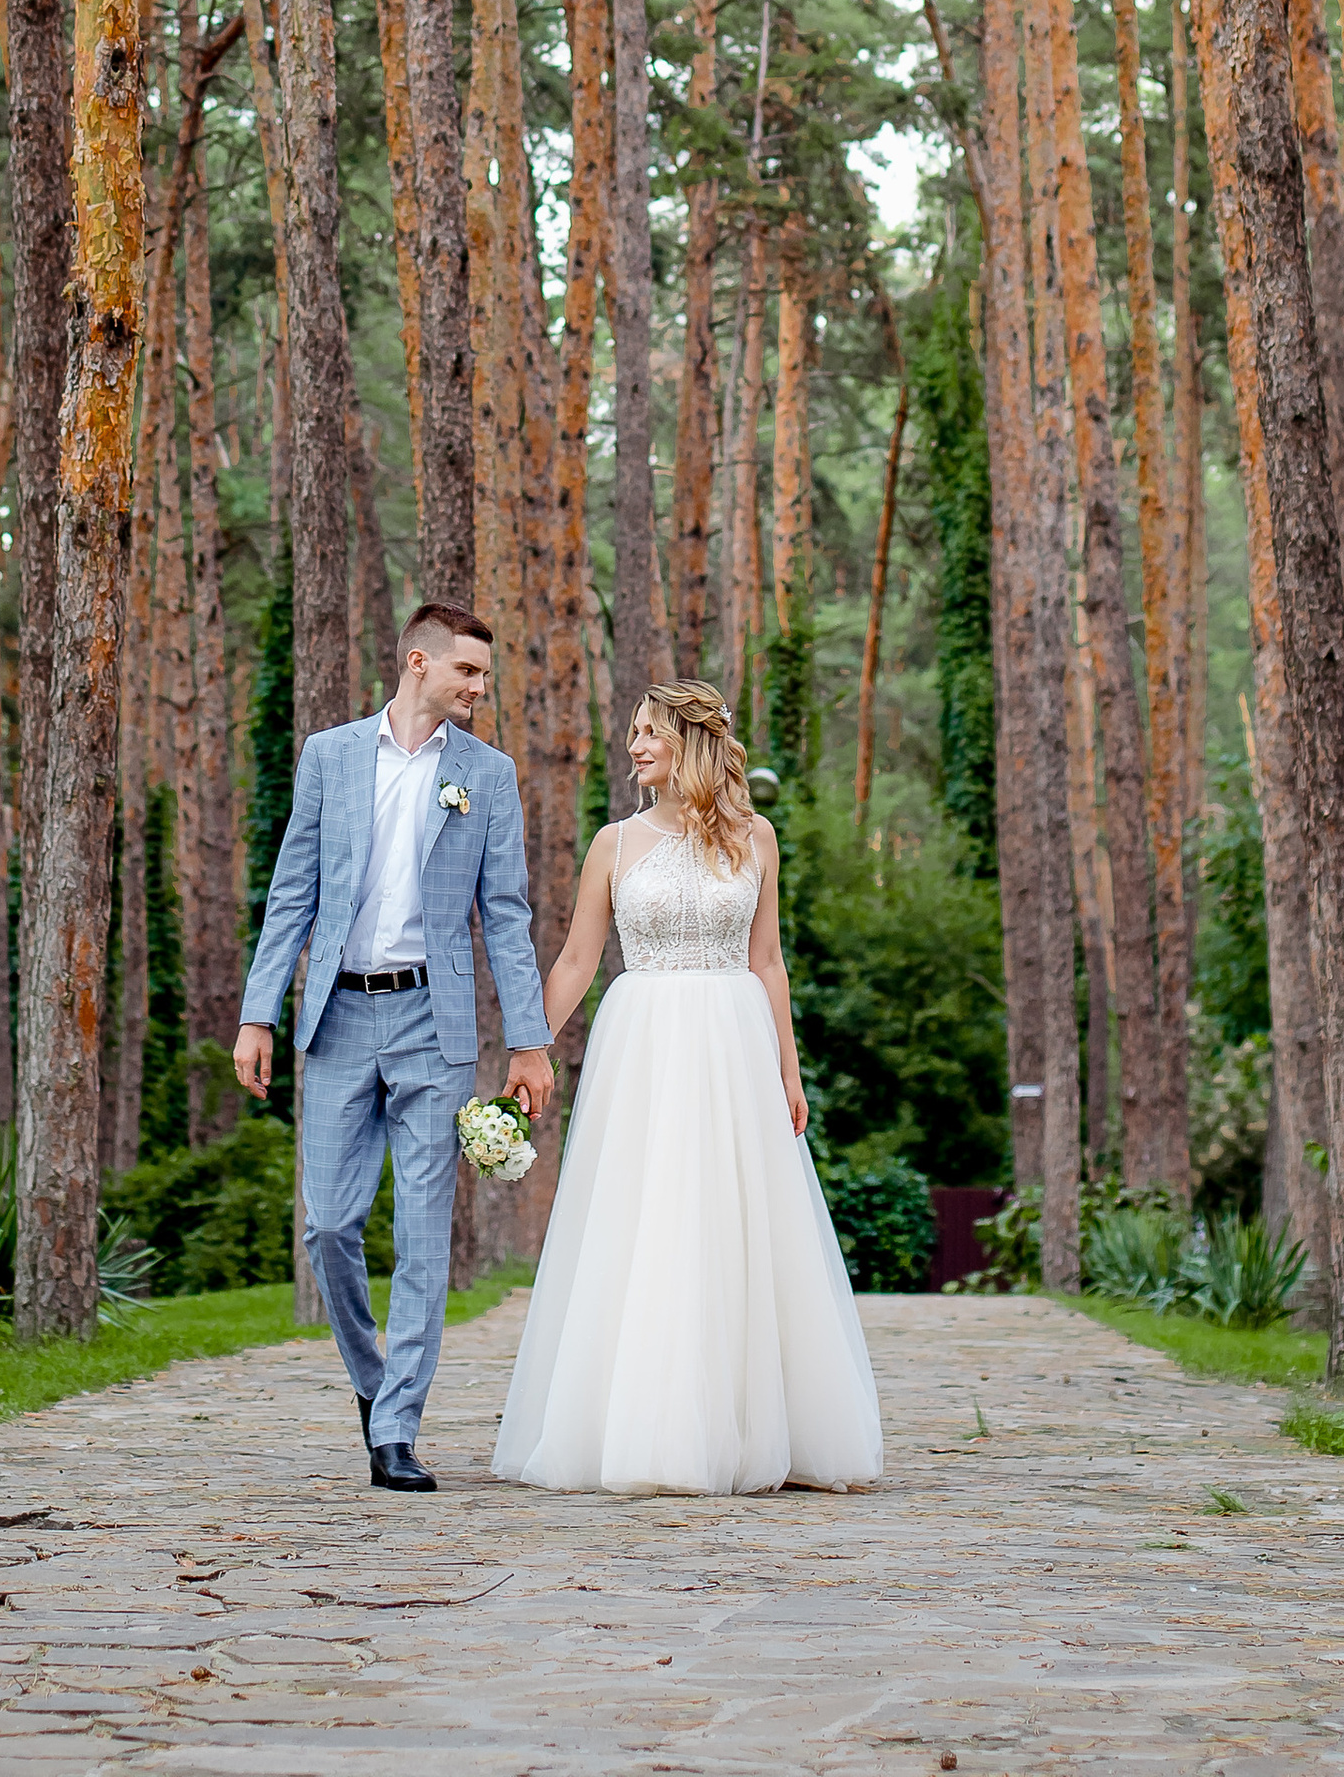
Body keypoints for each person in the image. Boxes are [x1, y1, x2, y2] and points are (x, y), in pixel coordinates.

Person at [493, 681, 884, 1496]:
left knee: (737, 1222)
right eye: (631, 732)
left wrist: (788, 1067)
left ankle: (750, 1428)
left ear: (693, 741)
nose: (634, 746)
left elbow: (767, 960)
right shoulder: (615, 843)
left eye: (648, 733)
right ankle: (645, 1427)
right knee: (650, 1222)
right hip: (644, 1043)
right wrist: (528, 1045)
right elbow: (575, 961)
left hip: (734, 1042)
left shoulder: (757, 837)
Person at [235, 601, 553, 1492]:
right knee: (328, 1225)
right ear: (419, 662)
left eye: (485, 676)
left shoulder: (487, 776)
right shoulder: (329, 757)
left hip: (433, 1023)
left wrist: (527, 1041)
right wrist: (259, 1014)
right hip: (337, 1018)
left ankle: (398, 1429)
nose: (481, 689)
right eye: (469, 673)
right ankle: (376, 1391)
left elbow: (507, 915)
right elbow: (291, 892)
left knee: (421, 1234)